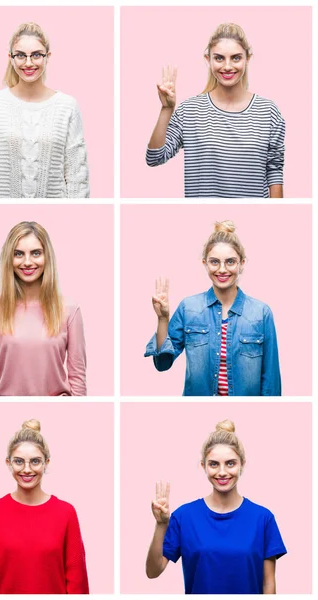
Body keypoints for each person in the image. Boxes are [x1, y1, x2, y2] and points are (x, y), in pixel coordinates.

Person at [0, 22, 89, 198]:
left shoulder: (67, 106)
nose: (28, 63)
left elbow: (77, 177)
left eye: (36, 55)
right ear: (11, 57)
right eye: (21, 55)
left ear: (47, 56)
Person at [0, 419, 89, 594]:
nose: (27, 469)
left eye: (35, 461)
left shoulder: (65, 513)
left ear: (47, 463)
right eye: (19, 461)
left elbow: (77, 581)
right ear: (8, 463)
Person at [145, 420, 286, 594]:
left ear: (242, 464)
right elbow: (153, 571)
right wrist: (161, 525)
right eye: (214, 464)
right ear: (203, 466)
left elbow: (268, 584)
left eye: (230, 463)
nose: (222, 472)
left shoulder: (263, 519)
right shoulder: (184, 516)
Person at [146, 23, 285, 198]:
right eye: (219, 58)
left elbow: (274, 171)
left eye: (236, 58)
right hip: (202, 217)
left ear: (247, 59)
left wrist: (274, 218)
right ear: (208, 59)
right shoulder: (190, 111)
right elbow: (154, 157)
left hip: (254, 218)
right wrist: (167, 109)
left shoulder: (269, 112)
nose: (227, 66)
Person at [0, 221, 86, 395]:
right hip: (7, 411)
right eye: (18, 254)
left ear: (47, 257)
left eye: (36, 253)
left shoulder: (69, 309)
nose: (27, 262)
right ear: (9, 258)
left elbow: (78, 379)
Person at [145, 220, 281, 396]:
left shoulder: (261, 313)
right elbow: (162, 364)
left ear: (242, 263)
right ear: (204, 263)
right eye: (214, 262)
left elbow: (271, 382)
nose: (222, 270)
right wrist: (163, 319)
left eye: (230, 262)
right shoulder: (189, 308)